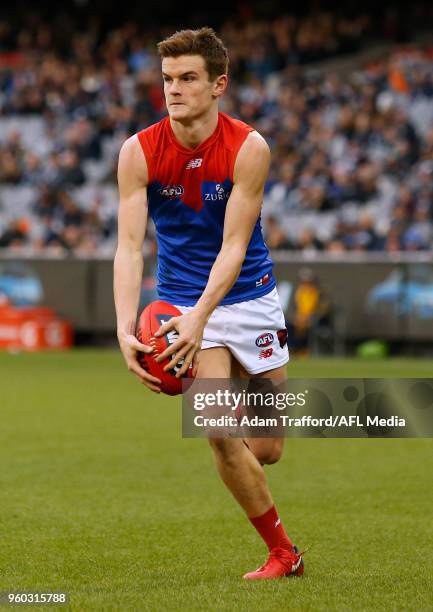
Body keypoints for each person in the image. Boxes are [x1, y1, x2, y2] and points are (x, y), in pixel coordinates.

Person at [114, 27, 304, 580]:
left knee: (266, 449)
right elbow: (128, 247)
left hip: (249, 298)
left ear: (218, 84)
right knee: (217, 430)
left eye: (188, 78)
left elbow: (234, 246)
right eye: (168, 79)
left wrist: (205, 315)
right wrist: (126, 326)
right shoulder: (138, 151)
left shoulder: (249, 147)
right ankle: (283, 554)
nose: (174, 89)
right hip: (179, 302)